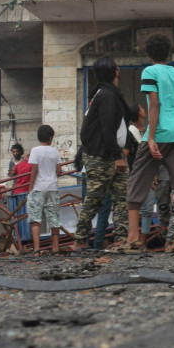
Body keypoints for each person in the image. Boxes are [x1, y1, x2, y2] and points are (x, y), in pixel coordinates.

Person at [122, 34, 174, 253]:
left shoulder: (149, 72)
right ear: (169, 52)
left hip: (159, 133)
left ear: (148, 53)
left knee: (136, 182)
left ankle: (133, 238)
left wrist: (150, 137)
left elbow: (154, 104)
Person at [74, 56, 130, 251]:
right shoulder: (106, 95)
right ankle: (80, 239)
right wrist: (116, 156)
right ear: (115, 72)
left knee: (121, 197)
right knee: (95, 197)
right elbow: (107, 127)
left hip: (110, 154)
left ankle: (122, 238)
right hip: (102, 156)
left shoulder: (103, 93)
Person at [27, 124, 63, 254]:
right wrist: (52, 176)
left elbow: (34, 170)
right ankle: (56, 248)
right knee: (54, 218)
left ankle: (37, 249)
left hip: (38, 187)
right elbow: (59, 170)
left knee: (35, 218)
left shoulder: (35, 150)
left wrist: (30, 187)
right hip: (52, 187)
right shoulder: (55, 151)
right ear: (50, 138)